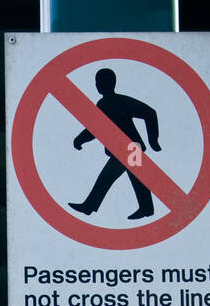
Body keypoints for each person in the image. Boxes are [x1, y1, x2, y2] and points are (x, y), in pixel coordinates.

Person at [68, 67, 161, 219]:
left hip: (128, 149)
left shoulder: (107, 103)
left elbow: (95, 128)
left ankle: (89, 206)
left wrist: (154, 141)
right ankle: (146, 208)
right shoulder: (115, 101)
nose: (97, 85)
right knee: (136, 178)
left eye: (98, 82)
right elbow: (96, 128)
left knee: (107, 178)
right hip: (129, 148)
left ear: (103, 84)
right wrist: (152, 141)